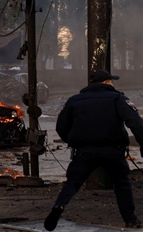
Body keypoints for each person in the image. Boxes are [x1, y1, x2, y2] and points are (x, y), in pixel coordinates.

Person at [44, 70, 143, 231]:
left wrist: (73, 141)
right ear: (106, 82)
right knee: (121, 184)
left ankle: (59, 205)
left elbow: (60, 127)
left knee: (73, 182)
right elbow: (136, 124)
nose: (113, 83)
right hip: (113, 151)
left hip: (84, 151)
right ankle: (130, 220)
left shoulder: (74, 101)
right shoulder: (118, 99)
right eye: (111, 81)